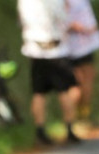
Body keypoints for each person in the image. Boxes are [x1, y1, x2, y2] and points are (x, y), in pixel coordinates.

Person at [18, 0, 82, 145]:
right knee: (65, 90)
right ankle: (69, 127)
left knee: (39, 92)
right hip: (55, 49)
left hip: (35, 49)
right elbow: (62, 18)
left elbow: (22, 21)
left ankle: (40, 131)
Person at [66, 0, 99, 122]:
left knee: (81, 82)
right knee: (80, 83)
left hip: (79, 44)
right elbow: (64, 20)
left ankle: (79, 116)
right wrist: (85, 29)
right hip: (78, 44)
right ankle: (77, 116)